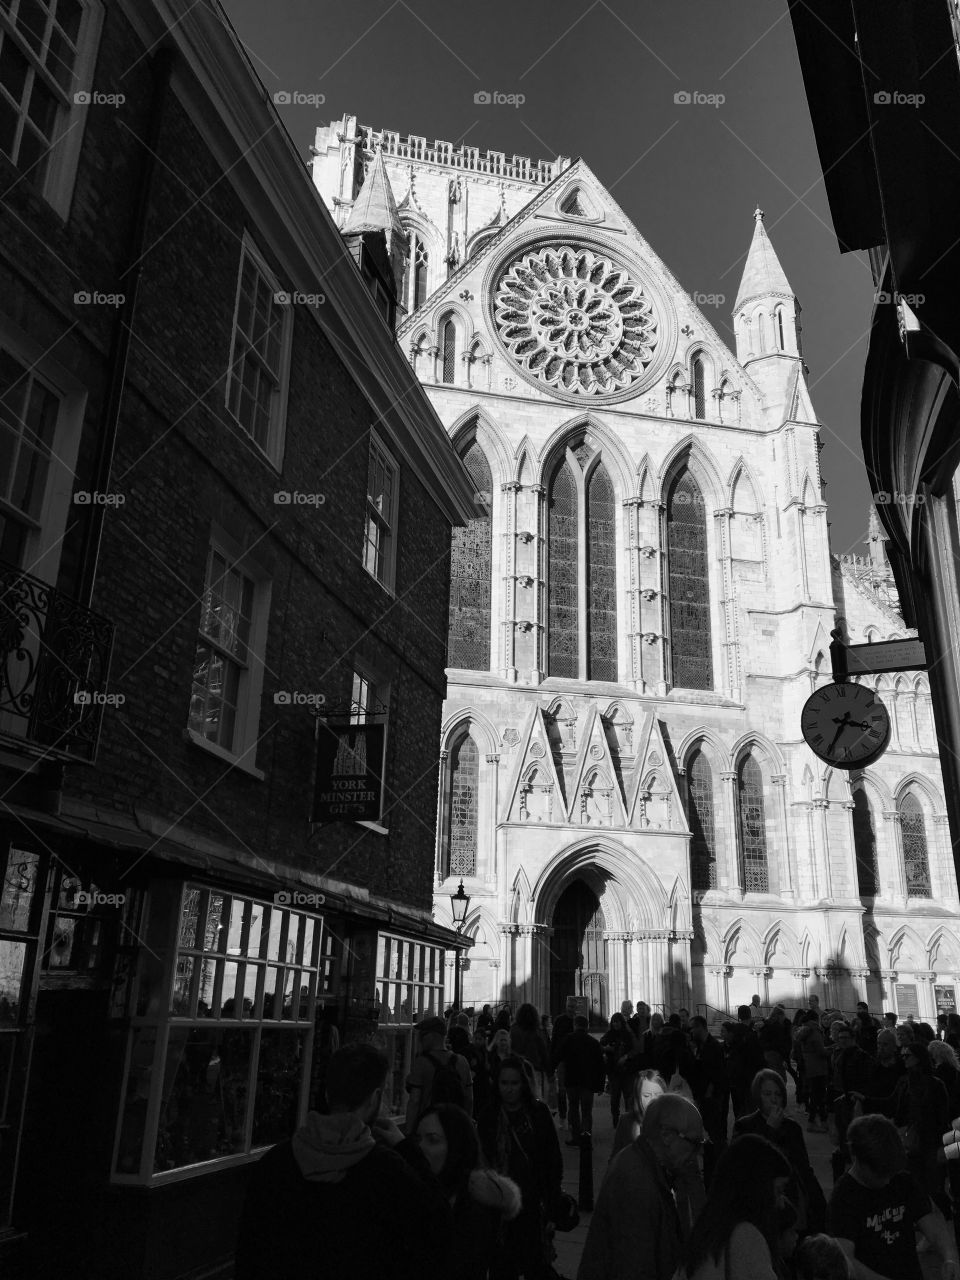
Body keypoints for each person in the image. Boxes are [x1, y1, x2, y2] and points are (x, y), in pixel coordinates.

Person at [235, 1042, 451, 1280]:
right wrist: (405, 1147)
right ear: (374, 1099)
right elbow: (438, 1223)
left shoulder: (275, 1162)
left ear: (328, 1094)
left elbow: (249, 1251)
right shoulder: (386, 1170)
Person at [578, 1093, 706, 1280]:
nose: (698, 1152)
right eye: (694, 1143)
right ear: (667, 1136)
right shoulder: (637, 1182)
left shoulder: (647, 1167)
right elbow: (635, 1267)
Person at [828, 1113, 960, 1280]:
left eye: (890, 1173)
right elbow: (845, 1260)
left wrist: (950, 1257)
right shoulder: (843, 1198)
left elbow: (931, 1217)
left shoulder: (901, 1180)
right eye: (880, 1173)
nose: (887, 1179)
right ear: (858, 1158)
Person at [477, 1055, 563, 1280]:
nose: (509, 1089)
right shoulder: (489, 1115)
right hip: (499, 1205)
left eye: (514, 1083)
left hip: (531, 1204)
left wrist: (552, 1204)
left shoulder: (538, 1114)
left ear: (524, 1084)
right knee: (501, 1267)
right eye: (504, 1083)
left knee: (534, 1265)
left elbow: (552, 1161)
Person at [416, 1103, 522, 1280]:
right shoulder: (417, 1189)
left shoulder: (474, 1207)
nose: (420, 1147)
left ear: (456, 1147)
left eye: (432, 1140)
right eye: (416, 1139)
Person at [679, 1134, 794, 1280]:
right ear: (758, 1188)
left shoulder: (705, 1232)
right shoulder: (746, 1237)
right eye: (779, 1190)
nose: (781, 1203)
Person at [733, 1069, 826, 1232]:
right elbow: (746, 1164)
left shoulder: (792, 1128)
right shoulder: (745, 1126)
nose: (773, 1099)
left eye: (777, 1094)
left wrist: (819, 1204)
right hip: (758, 1200)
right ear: (758, 1095)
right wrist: (770, 1130)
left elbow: (803, 1168)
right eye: (767, 1094)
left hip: (790, 1197)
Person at [405, 1016, 473, 1132]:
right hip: (456, 1127)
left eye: (423, 1035)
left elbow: (414, 1101)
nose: (420, 1039)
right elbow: (469, 1098)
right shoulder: (462, 1062)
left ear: (432, 1036)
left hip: (429, 1127)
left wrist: (409, 1132)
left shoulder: (421, 1063)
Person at [558, 1013, 606, 1144]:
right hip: (588, 1082)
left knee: (573, 1108)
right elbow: (600, 1065)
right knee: (586, 1111)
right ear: (587, 1027)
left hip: (571, 1080)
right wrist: (601, 1085)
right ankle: (586, 1135)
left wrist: (560, 1081)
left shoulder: (567, 1040)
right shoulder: (594, 1043)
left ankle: (575, 1136)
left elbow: (561, 1061)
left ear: (575, 1026)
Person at [610, 1068, 667, 1159]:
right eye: (647, 1095)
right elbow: (615, 1162)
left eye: (658, 1095)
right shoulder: (626, 1122)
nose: (653, 1100)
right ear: (638, 1097)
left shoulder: (674, 1122)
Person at [600, 1011, 638, 1126]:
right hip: (614, 1070)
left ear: (622, 1022)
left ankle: (628, 1120)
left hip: (627, 1070)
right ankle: (615, 1119)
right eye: (613, 1022)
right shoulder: (609, 1034)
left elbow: (634, 1049)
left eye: (617, 1022)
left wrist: (626, 1057)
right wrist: (606, 1049)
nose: (615, 1024)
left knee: (628, 1097)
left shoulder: (628, 1034)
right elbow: (600, 1045)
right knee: (615, 1097)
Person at [795, 1010, 830, 1132]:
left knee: (817, 1094)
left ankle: (823, 1121)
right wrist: (831, 1049)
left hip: (810, 1066)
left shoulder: (805, 1031)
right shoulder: (815, 1031)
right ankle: (812, 1122)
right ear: (816, 1019)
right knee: (818, 1095)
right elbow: (821, 1051)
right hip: (818, 1066)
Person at [510, 1002, 552, 1099]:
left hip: (517, 1068)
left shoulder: (513, 1029)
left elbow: (510, 1049)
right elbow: (543, 1052)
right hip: (534, 1069)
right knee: (535, 1099)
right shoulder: (537, 1031)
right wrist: (549, 1073)